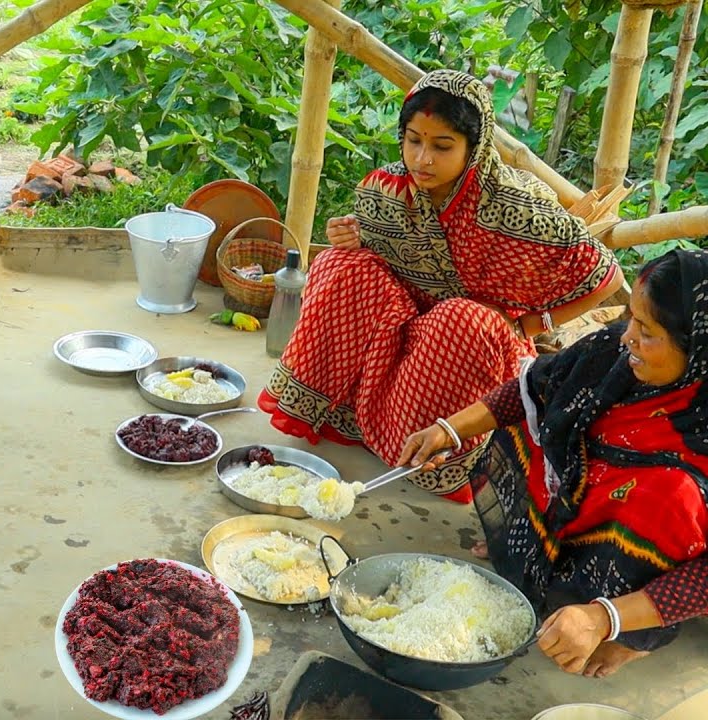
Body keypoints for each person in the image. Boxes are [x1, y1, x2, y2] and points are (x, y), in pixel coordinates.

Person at [259, 70, 621, 503]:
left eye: (441, 146)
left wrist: (530, 324)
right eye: (413, 140)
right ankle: (349, 417)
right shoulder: (388, 189)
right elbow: (384, 246)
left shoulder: (517, 207)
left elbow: (606, 275)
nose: (422, 159)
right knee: (341, 265)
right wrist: (351, 238)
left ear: (475, 146)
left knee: (460, 319)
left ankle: (430, 451)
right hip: (407, 320)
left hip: (472, 341)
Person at [399, 249, 708, 678]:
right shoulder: (612, 352)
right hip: (593, 485)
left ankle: (631, 636)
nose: (626, 338)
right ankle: (534, 549)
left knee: (669, 497)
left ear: (696, 348)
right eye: (631, 319)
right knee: (539, 422)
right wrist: (447, 431)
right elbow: (535, 386)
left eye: (647, 330)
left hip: (645, 514)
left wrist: (605, 618)